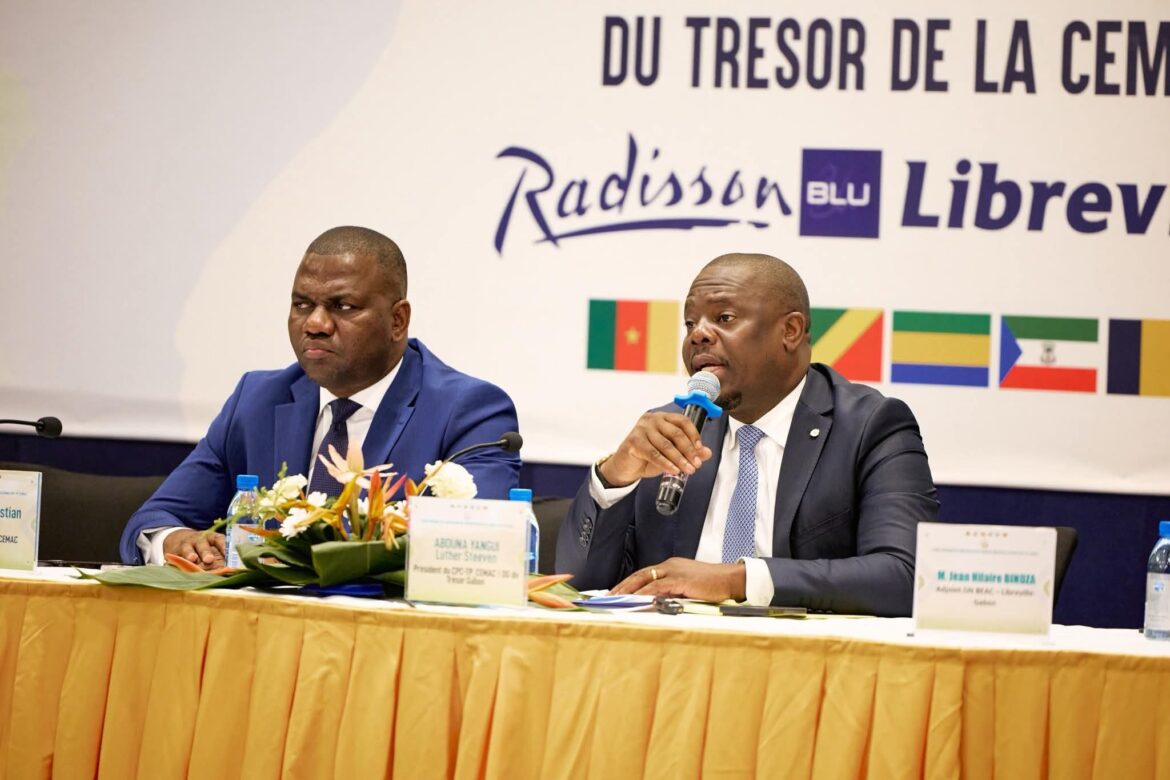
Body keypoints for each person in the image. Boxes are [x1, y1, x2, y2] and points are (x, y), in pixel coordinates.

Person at [556, 253, 938, 616]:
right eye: (690, 324)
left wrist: (736, 580)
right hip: (675, 651)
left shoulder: (870, 426)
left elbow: (905, 576)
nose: (698, 335)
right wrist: (615, 477)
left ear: (790, 331)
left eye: (724, 318)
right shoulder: (670, 431)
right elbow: (580, 585)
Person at [120, 226, 521, 567]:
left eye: (342, 306)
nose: (314, 323)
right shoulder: (257, 400)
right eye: (302, 304)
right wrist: (174, 541)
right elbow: (155, 519)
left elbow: (476, 550)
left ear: (397, 320)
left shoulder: (469, 412)